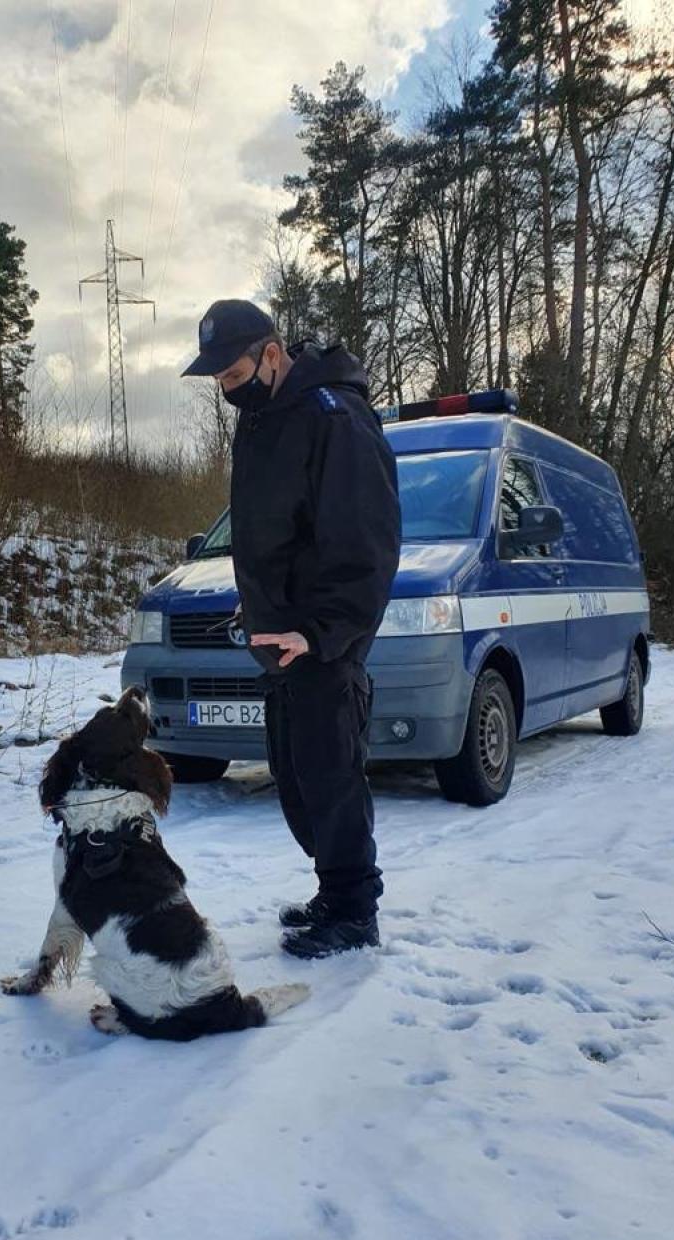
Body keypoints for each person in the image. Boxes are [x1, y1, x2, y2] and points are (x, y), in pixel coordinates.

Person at [182, 299, 401, 958]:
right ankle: (333, 891)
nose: (227, 388)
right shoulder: (264, 416)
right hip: (279, 636)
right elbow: (274, 531)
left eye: (232, 374)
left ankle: (355, 909)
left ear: (271, 355)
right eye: (218, 378)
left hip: (323, 637)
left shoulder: (335, 418)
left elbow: (367, 540)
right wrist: (260, 605)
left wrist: (322, 630)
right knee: (296, 773)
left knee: (331, 773)